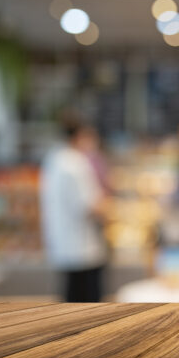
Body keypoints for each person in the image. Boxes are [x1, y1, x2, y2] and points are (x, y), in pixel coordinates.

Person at [41, 117, 108, 302]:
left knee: (71, 298)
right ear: (80, 136)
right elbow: (90, 206)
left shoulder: (55, 157)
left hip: (65, 243)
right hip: (82, 248)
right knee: (87, 305)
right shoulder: (76, 163)